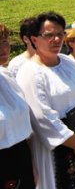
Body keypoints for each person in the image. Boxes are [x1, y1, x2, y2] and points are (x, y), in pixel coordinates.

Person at [17, 12, 75, 189]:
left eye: (60, 34)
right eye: (49, 35)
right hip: (57, 148)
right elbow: (43, 117)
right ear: (34, 39)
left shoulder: (68, 62)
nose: (56, 39)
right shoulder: (30, 72)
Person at [0, 23, 35, 188]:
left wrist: (31, 164)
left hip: (21, 156)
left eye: (5, 41)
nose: (3, 48)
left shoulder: (6, 75)